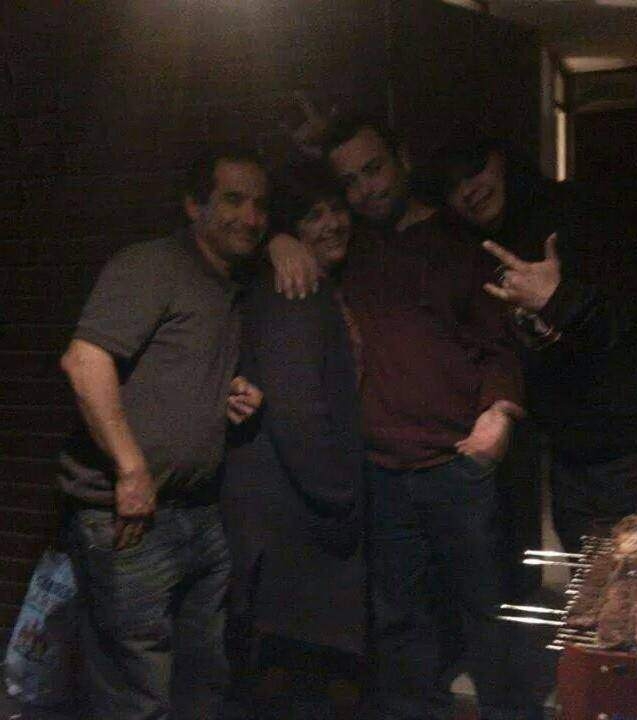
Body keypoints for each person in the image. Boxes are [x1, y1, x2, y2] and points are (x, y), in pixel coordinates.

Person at [267, 117, 523, 720]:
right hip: (379, 472)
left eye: (374, 169)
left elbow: (499, 343)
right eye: (351, 182)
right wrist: (279, 238)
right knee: (398, 623)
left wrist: (501, 415)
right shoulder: (348, 246)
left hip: (457, 464)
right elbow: (290, 218)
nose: (366, 190)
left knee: (487, 612)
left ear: (401, 158)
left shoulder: (460, 241)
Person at [57, 146, 268, 720]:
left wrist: (230, 391)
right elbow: (85, 362)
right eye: (233, 199)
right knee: (136, 694)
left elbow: (170, 372)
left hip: (198, 512)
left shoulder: (225, 284)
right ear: (194, 205)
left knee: (202, 683)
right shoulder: (152, 265)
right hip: (131, 518)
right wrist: (131, 470)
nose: (250, 217)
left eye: (260, 204)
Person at [432, 135, 637, 551]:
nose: (467, 190)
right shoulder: (478, 247)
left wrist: (560, 299)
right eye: (451, 185)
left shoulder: (587, 210)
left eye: (473, 170)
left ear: (500, 160)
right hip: (574, 463)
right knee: (592, 589)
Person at [221, 163, 365, 720]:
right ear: (291, 230)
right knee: (301, 682)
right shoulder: (295, 290)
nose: (332, 224)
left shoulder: (318, 283)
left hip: (296, 516)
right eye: (313, 216)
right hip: (297, 520)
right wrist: (341, 493)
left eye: (337, 209)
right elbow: (298, 411)